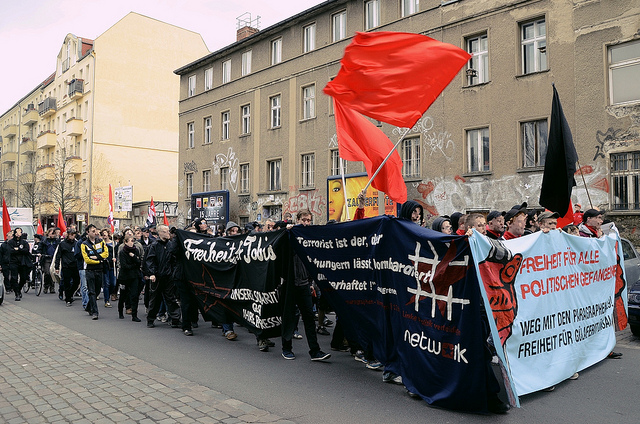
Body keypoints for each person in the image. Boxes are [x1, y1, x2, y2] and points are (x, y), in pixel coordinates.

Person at [281, 209, 331, 362]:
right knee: (289, 317)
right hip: (289, 285)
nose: (306, 223)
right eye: (303, 220)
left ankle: (315, 351)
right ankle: (286, 348)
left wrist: (310, 283)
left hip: (304, 284)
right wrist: (287, 231)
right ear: (297, 220)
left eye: (308, 220)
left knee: (309, 318)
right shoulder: (290, 235)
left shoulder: (309, 239)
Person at [144, 224, 181, 329]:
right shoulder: (154, 246)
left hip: (169, 276)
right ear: (159, 233)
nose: (168, 233)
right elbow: (149, 260)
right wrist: (151, 273)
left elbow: (174, 259)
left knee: (171, 298)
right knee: (155, 299)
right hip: (157, 277)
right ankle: (150, 319)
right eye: (165, 231)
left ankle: (175, 319)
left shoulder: (170, 245)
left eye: (168, 231)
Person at [80, 224, 109, 320]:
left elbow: (106, 253)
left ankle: (89, 306)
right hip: (90, 270)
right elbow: (87, 259)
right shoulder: (84, 244)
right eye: (92, 231)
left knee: (97, 291)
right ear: (87, 232)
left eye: (95, 231)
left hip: (99, 269)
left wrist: (97, 258)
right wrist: (99, 259)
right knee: (91, 291)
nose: (95, 233)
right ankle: (95, 312)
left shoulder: (101, 241)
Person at [118, 234, 143, 322]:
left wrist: (134, 257)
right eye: (130, 241)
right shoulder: (122, 252)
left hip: (134, 276)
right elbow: (124, 266)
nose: (132, 243)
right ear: (125, 242)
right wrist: (134, 264)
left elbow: (139, 262)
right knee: (123, 295)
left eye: (133, 241)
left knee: (134, 295)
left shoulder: (135, 250)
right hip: (124, 277)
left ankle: (134, 315)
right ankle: (120, 312)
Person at [54, 229, 80, 306]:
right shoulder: (62, 244)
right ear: (67, 235)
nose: (72, 236)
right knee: (67, 283)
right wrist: (57, 267)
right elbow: (58, 256)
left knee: (76, 282)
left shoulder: (77, 243)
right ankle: (68, 299)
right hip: (66, 266)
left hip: (75, 266)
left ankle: (71, 294)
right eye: (71, 234)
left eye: (74, 235)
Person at [7, 228, 31, 301]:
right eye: (16, 232)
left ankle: (19, 289)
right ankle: (17, 293)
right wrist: (18, 250)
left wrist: (18, 249)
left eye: (19, 232)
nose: (18, 234)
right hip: (13, 262)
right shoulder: (10, 242)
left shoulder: (24, 242)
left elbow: (26, 250)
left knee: (23, 278)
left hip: (22, 262)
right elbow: (10, 251)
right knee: (14, 278)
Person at [100, 228, 116, 307]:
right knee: (106, 283)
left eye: (105, 233)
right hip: (105, 265)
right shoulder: (101, 243)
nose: (104, 235)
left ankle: (109, 294)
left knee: (113, 283)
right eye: (103, 233)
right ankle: (106, 300)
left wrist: (115, 258)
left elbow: (116, 253)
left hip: (112, 265)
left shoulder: (113, 244)